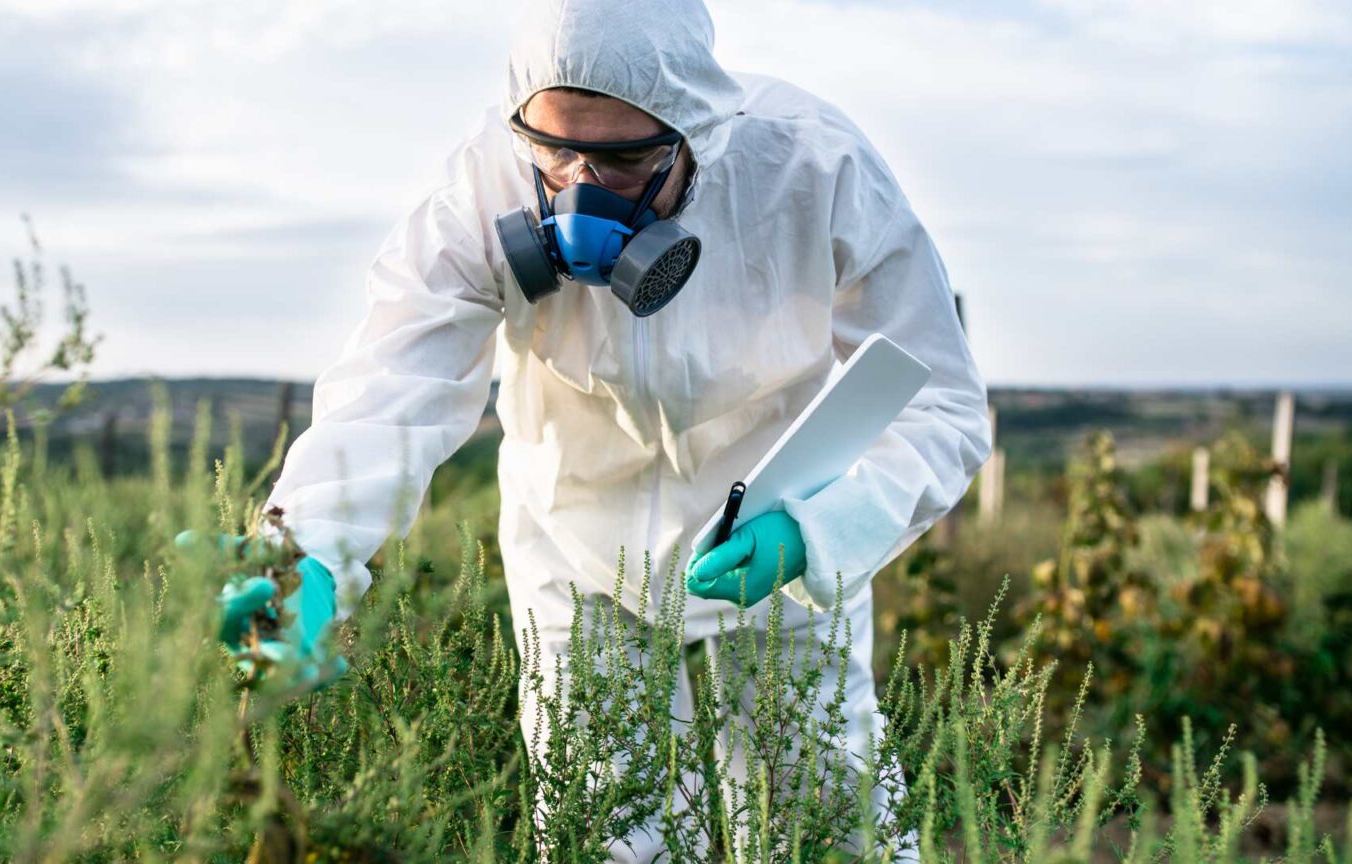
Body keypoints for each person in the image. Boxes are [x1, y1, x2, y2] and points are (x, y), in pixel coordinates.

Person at [226, 0, 991, 857]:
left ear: (695, 128)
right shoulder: (479, 189)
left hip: (776, 545)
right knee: (605, 838)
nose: (581, 187)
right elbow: (390, 386)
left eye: (623, 159)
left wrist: (820, 533)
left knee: (832, 829)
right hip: (577, 545)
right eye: (556, 151)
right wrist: (309, 555)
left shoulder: (814, 165)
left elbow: (943, 403)